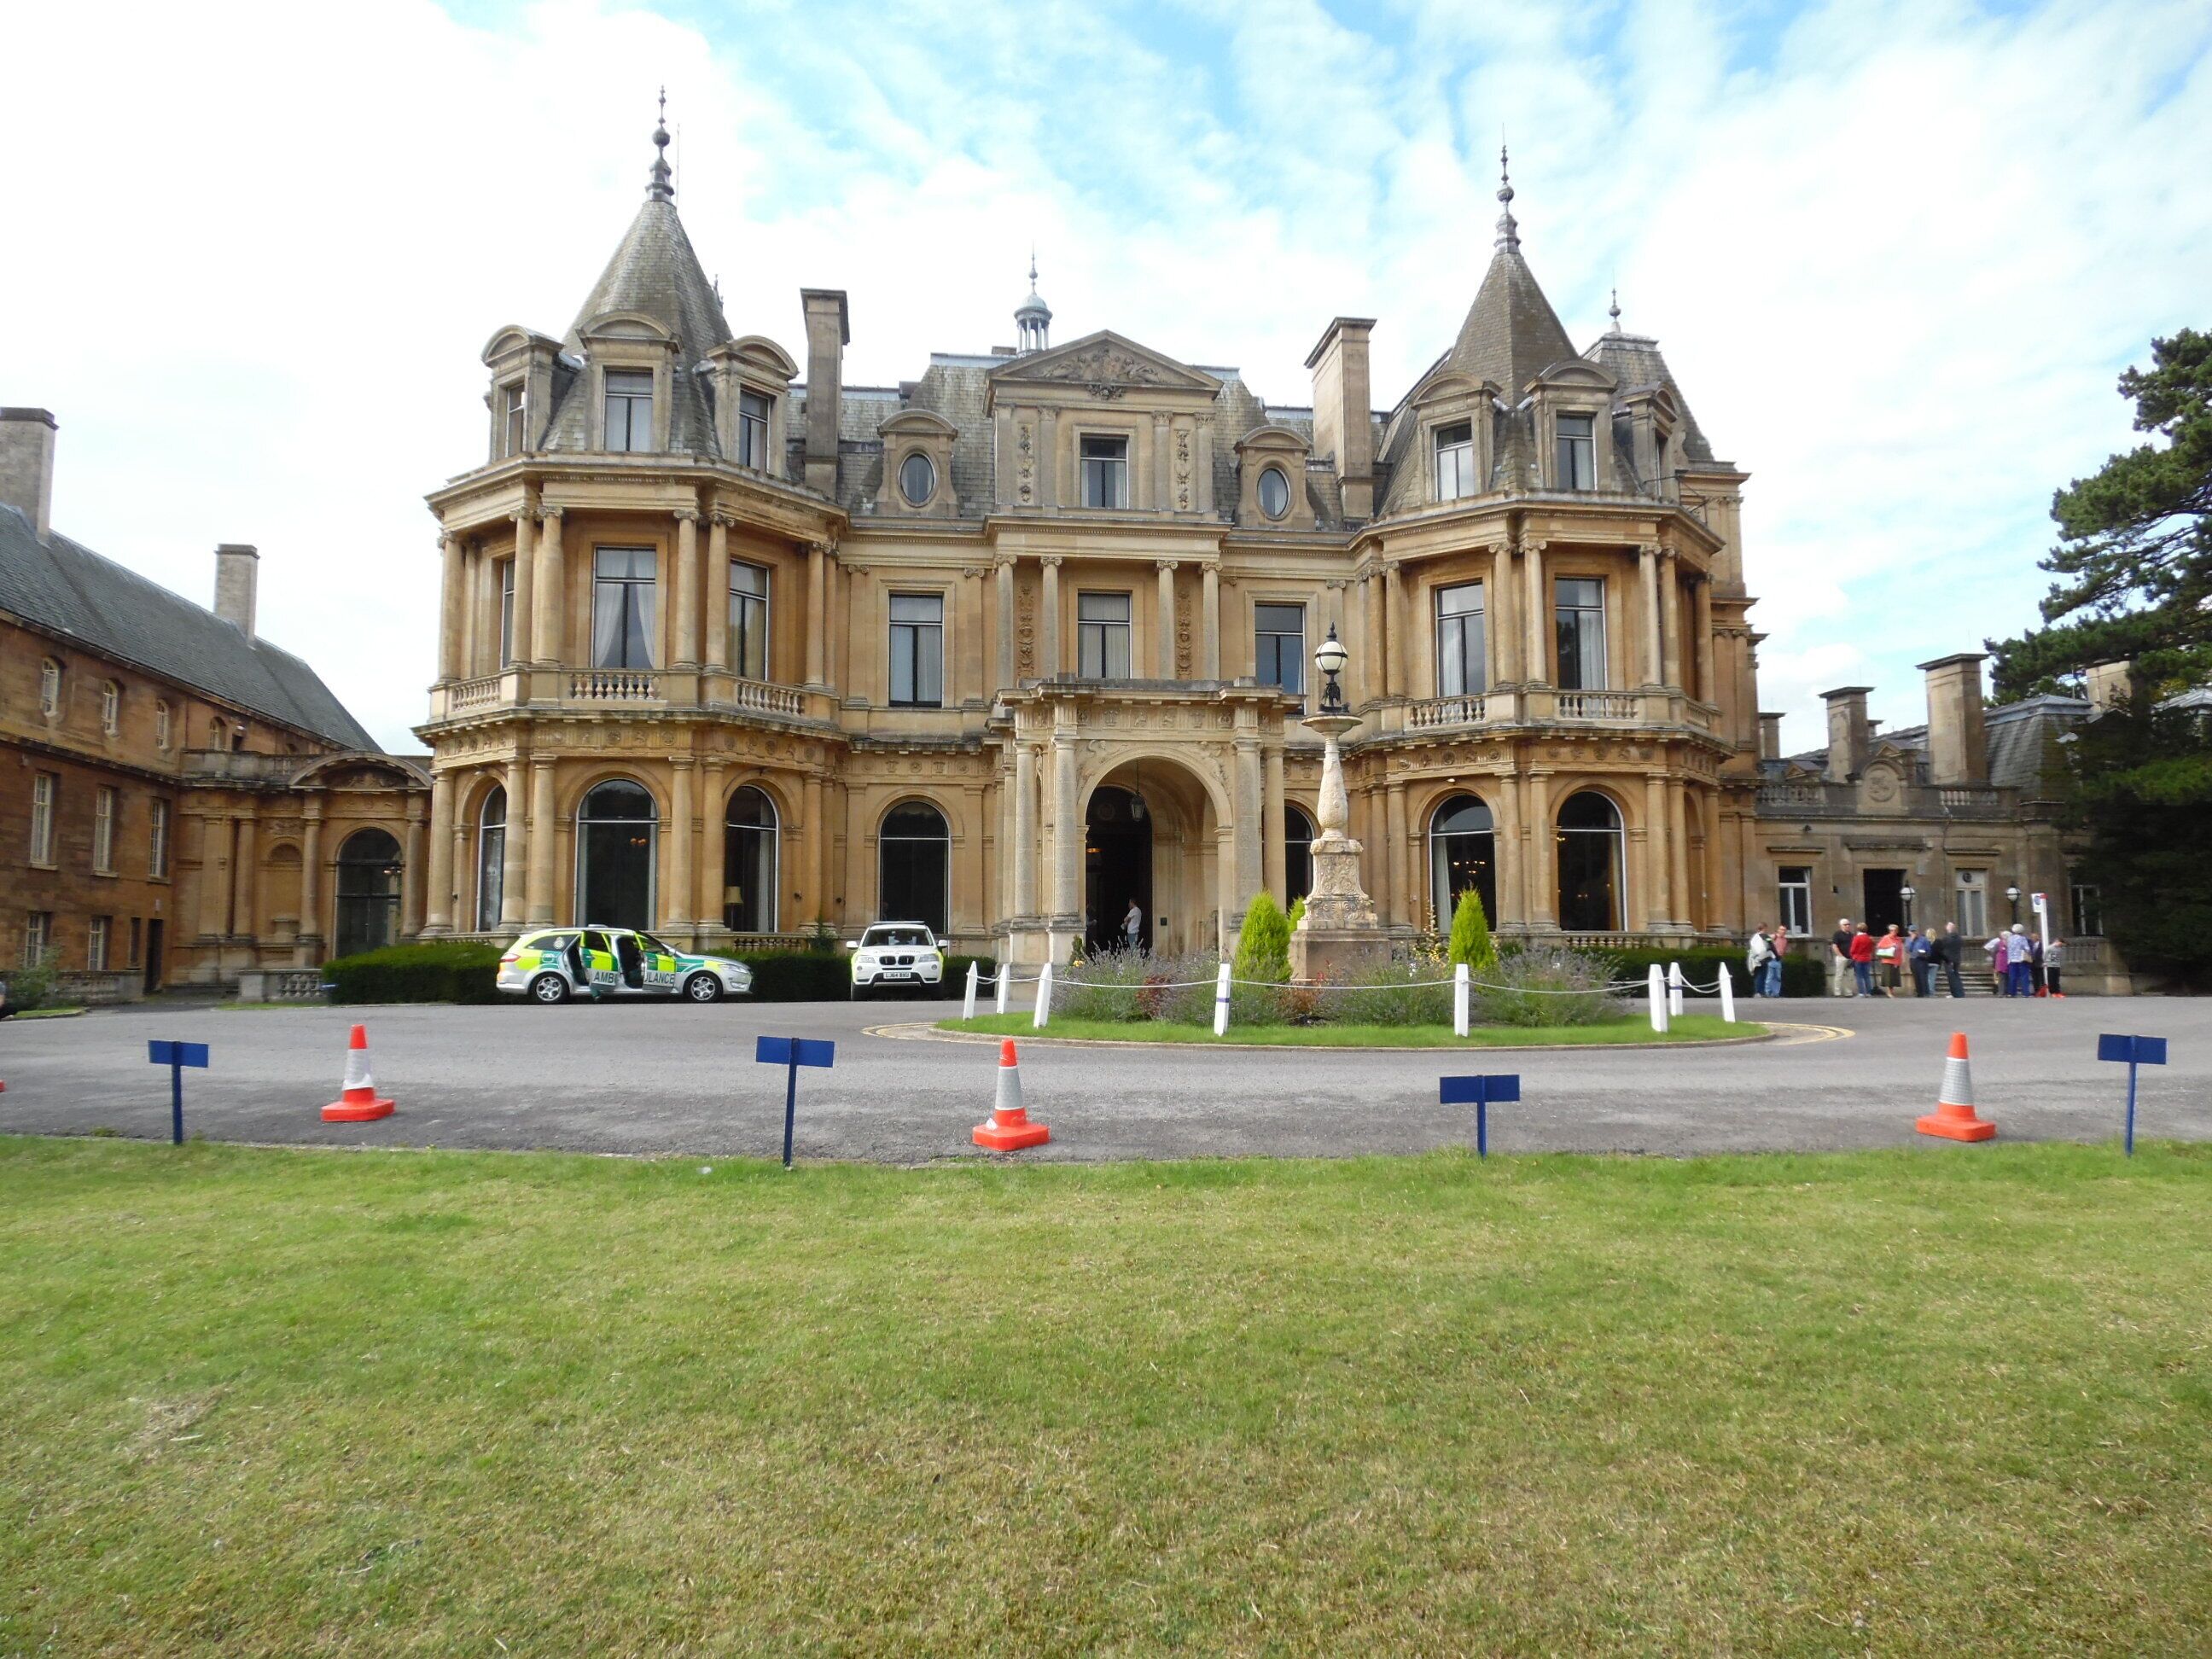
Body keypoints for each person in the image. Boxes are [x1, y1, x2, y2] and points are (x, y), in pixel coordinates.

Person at [1936, 923, 1966, 998]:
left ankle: (1956, 994)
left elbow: (1941, 947)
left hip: (1949, 959)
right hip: (1957, 959)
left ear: (1949, 928)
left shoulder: (1946, 938)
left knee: (1951, 977)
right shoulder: (1959, 938)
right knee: (1956, 975)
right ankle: (1960, 993)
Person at [2008, 924, 2036, 998]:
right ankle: (2025, 993)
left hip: (2012, 960)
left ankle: (2012, 993)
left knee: (2013, 977)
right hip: (2021, 959)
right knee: (2024, 976)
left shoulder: (2010, 939)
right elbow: (2027, 948)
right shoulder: (2022, 938)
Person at [1829, 918, 1855, 998]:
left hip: (1850, 958)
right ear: (1841, 926)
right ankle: (1837, 992)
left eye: (1848, 924)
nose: (1847, 926)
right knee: (1839, 975)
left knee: (1850, 976)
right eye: (1845, 925)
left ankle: (1848, 992)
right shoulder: (1838, 934)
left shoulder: (1851, 935)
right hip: (1841, 957)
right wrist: (1841, 956)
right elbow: (1834, 946)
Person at [1849, 923, 1877, 997]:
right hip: (1867, 958)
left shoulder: (1857, 938)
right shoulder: (1869, 938)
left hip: (1858, 958)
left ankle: (1861, 992)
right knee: (1867, 976)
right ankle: (1869, 992)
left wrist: (1853, 955)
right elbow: (1871, 949)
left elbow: (1852, 950)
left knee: (1859, 976)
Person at [1747, 926, 1773, 997]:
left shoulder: (1753, 938)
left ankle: (1757, 992)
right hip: (1763, 959)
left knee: (1757, 976)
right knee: (1762, 976)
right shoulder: (1765, 936)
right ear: (1764, 929)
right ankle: (1761, 992)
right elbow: (1771, 944)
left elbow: (1749, 949)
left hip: (1754, 960)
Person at [1908, 926, 1935, 998]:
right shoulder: (1909, 940)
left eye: (1914, 931)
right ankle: (1919, 993)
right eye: (1912, 931)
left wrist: (1924, 953)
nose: (1913, 933)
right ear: (1909, 932)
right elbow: (1908, 950)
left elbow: (1929, 951)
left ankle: (1925, 993)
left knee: (1923, 977)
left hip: (1922, 960)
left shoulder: (1923, 939)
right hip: (1913, 959)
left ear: (1917, 931)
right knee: (1916, 977)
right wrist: (1912, 941)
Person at [1764, 927, 1788, 998]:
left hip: (1778, 959)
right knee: (1770, 976)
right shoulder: (1775, 937)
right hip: (1772, 958)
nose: (1783, 931)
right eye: (1781, 930)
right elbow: (1766, 939)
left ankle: (1776, 993)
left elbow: (1783, 949)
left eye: (1784, 930)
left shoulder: (1784, 940)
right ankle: (1768, 992)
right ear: (1778, 930)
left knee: (1777, 977)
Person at [1985, 929, 2010, 995]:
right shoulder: (1998, 943)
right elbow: (1993, 952)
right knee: (2000, 978)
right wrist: (1995, 959)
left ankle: (2007, 991)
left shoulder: (2010, 943)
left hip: (2009, 963)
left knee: (2007, 978)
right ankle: (2001, 992)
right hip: (2001, 963)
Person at [2045, 934, 2066, 998]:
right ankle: (2053, 992)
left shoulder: (2060, 949)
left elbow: (2061, 957)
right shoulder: (2050, 948)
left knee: (2056, 980)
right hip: (2050, 965)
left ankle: (2057, 992)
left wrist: (2061, 964)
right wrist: (2045, 962)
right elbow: (2045, 955)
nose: (2060, 945)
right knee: (2051, 979)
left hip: (2057, 965)